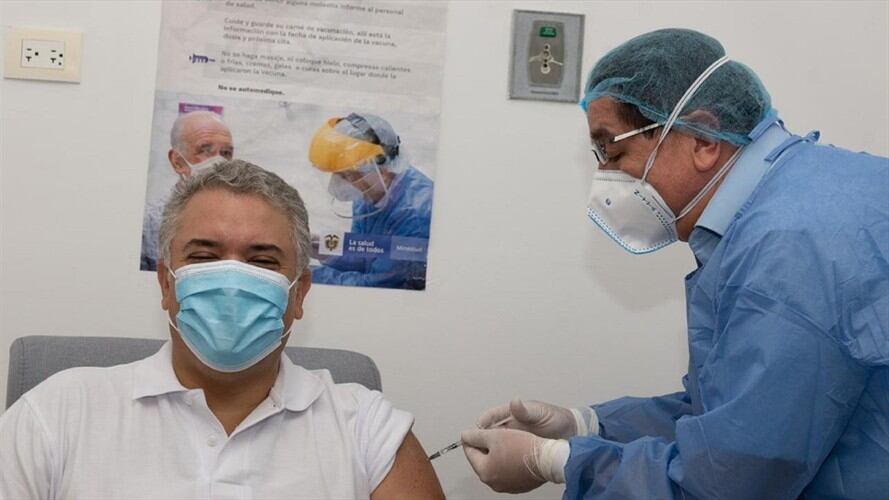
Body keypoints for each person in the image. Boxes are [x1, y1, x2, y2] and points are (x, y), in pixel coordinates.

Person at [461, 28, 889, 498]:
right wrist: (587, 424)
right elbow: (734, 414)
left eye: (613, 150)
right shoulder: (804, 194)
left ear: (703, 139)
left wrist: (556, 461)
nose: (604, 178)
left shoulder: (788, 245)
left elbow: (734, 477)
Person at [0, 160, 445, 499]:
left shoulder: (367, 429)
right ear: (165, 282)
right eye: (205, 256)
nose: (232, 279)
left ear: (299, 293)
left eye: (262, 260)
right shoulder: (56, 414)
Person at [308, 113, 433, 290]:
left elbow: (376, 285)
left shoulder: (415, 217)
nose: (339, 185)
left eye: (348, 175)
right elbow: (366, 254)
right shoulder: (369, 194)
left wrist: (306, 276)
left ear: (381, 167)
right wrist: (328, 251)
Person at [140, 110, 234, 271]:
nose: (219, 162)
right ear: (177, 162)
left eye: (226, 153)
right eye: (205, 150)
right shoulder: (149, 224)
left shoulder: (244, 217)